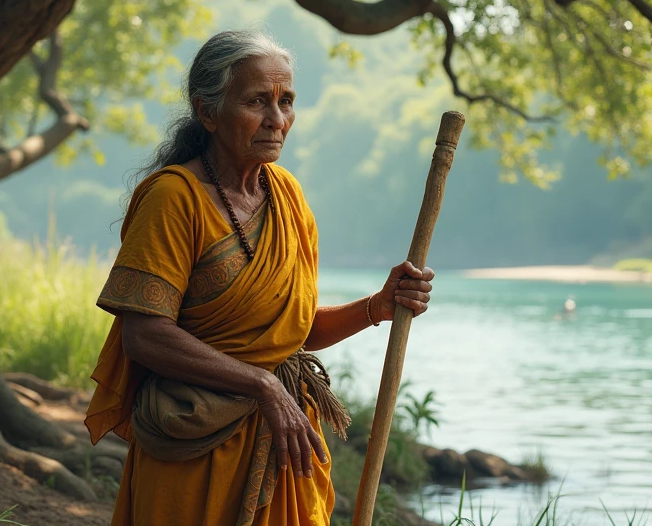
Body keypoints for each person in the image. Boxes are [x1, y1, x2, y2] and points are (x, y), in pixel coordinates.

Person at [85, 29, 436, 526]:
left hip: (283, 445)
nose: (277, 120)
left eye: (286, 101)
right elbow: (145, 336)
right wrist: (263, 387)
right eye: (257, 101)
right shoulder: (173, 198)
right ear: (207, 111)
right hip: (195, 448)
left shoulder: (288, 196)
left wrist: (377, 306)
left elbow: (291, 333)